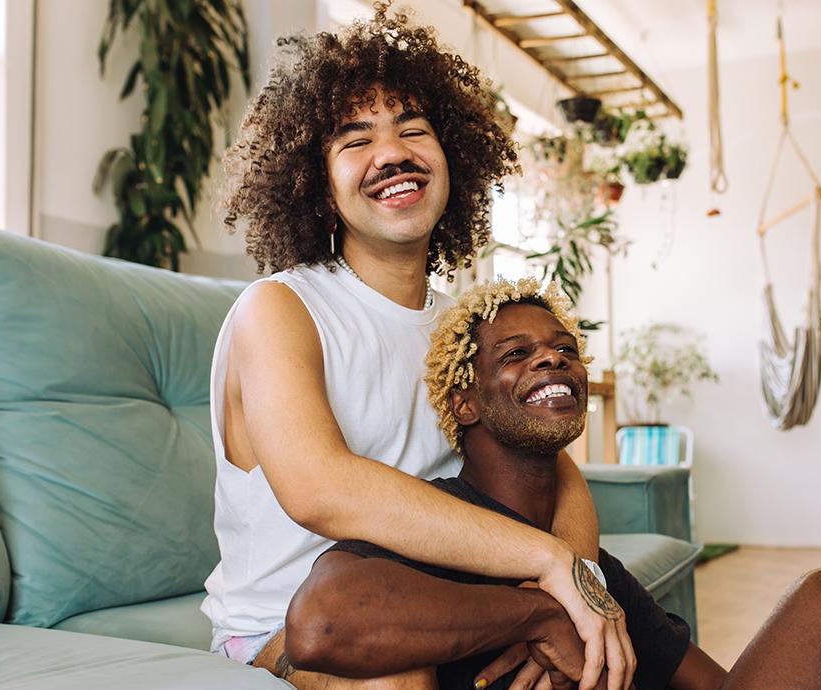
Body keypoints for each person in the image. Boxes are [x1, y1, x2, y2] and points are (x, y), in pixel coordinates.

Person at [203, 5, 632, 690]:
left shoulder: (463, 328)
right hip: (290, 624)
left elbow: (554, 467)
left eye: (413, 129)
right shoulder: (280, 308)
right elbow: (321, 489)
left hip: (435, 601)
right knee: (394, 671)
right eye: (355, 139)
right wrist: (545, 567)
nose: (393, 153)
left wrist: (567, 587)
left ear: (451, 156)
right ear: (317, 182)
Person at [271, 278, 821, 690]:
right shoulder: (439, 526)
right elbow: (321, 626)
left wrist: (573, 599)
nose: (553, 358)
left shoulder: (591, 570)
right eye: (516, 355)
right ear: (465, 403)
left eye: (563, 348)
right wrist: (536, 615)